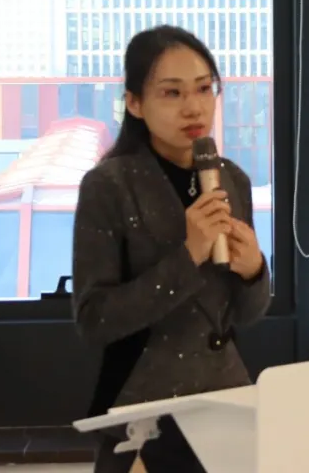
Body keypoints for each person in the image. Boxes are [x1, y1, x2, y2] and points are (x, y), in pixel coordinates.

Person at [72, 25, 271, 473]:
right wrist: (188, 256)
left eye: (204, 88)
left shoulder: (231, 179)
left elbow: (244, 314)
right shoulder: (109, 186)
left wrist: (255, 272)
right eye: (172, 93)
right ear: (134, 103)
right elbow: (94, 319)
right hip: (143, 408)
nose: (193, 106)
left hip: (226, 400)